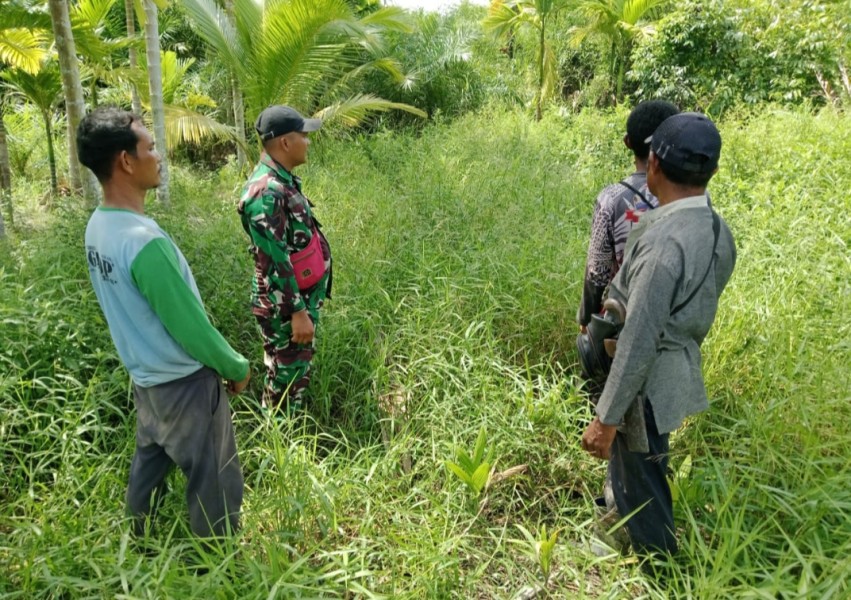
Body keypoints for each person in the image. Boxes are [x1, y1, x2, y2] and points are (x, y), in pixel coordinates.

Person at [78, 106, 250, 538]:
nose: (159, 156)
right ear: (125, 161)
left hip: (147, 381)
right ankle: (219, 568)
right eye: (150, 147)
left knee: (149, 469)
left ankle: (138, 546)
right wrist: (235, 366)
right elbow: (190, 327)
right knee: (215, 483)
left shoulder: (98, 227)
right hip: (185, 386)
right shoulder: (142, 242)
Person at [580, 112, 737, 558]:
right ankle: (619, 526)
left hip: (645, 382)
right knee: (643, 465)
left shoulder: (665, 245)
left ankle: (661, 569)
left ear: (652, 165)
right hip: (677, 369)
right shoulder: (716, 230)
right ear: (713, 172)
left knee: (644, 482)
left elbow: (639, 340)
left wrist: (604, 420)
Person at [238, 105, 332, 415]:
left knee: (293, 375)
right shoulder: (266, 191)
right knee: (285, 381)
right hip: (285, 307)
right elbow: (273, 260)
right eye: (303, 135)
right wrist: (297, 312)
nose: (309, 141)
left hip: (296, 301)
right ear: (285, 143)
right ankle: (280, 448)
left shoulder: (282, 181)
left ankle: (287, 438)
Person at [577, 100, 680, 333]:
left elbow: (597, 272)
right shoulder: (692, 197)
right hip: (675, 323)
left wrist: (586, 320)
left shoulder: (612, 199)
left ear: (628, 142)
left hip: (623, 320)